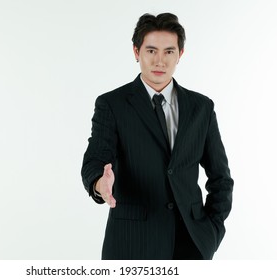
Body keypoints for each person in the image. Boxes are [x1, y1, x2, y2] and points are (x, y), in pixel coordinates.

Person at [81, 12, 233, 260]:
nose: (160, 61)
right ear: (136, 52)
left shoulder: (201, 107)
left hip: (191, 244)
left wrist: (211, 232)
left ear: (180, 55)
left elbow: (221, 179)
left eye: (169, 52)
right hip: (132, 243)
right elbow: (95, 160)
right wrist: (101, 184)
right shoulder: (112, 104)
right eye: (151, 51)